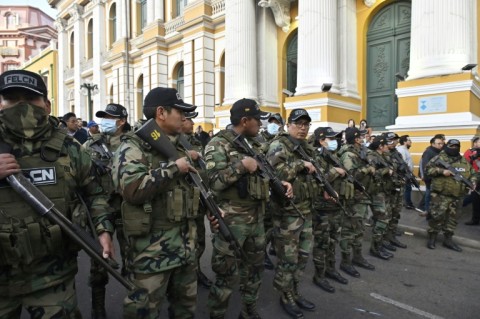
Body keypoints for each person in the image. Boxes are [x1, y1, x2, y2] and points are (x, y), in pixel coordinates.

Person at [0, 69, 114, 317]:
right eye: (12, 99)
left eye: (30, 99)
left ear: (47, 104)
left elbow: (94, 193)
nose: (21, 106)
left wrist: (103, 230)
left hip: (53, 274)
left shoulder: (68, 147)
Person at [113, 87, 199, 318]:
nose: (185, 117)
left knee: (185, 309)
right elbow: (132, 190)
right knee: (144, 312)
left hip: (185, 248)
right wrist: (174, 168)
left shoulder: (181, 145)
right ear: (161, 112)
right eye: (180, 112)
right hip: (151, 254)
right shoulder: (133, 146)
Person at [205, 98, 292, 319]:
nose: (261, 125)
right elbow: (213, 182)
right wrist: (241, 166)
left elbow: (265, 175)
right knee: (226, 275)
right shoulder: (218, 144)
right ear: (245, 120)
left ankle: (248, 310)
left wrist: (281, 183)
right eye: (258, 120)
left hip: (258, 220)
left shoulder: (256, 144)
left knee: (254, 271)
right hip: (232, 223)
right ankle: (217, 314)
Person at [266, 108, 318, 318]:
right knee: (288, 258)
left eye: (306, 124)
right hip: (287, 214)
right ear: (288, 126)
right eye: (299, 124)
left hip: (305, 211)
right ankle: (285, 294)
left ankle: (295, 291)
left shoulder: (307, 147)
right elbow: (272, 172)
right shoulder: (279, 145)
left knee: (303, 256)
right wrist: (300, 164)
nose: (303, 128)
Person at [84, 103, 131, 318]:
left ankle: (135, 302)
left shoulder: (135, 144)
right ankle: (98, 307)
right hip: (100, 210)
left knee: (134, 259)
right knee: (99, 260)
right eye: (103, 117)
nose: (104, 121)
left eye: (109, 117)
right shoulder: (90, 145)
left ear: (121, 121)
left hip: (128, 210)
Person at [309, 127, 350, 293]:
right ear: (321, 140)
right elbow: (316, 179)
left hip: (335, 207)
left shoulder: (334, 156)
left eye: (336, 138)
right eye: (330, 138)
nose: (335, 141)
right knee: (321, 243)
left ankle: (331, 269)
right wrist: (335, 171)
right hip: (321, 209)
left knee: (333, 240)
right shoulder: (315, 157)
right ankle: (319, 275)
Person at [337, 127, 376, 278]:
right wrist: (367, 169)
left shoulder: (360, 152)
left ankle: (357, 256)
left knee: (359, 229)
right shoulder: (348, 154)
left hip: (362, 196)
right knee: (349, 230)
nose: (364, 138)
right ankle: (346, 261)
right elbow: (351, 175)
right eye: (361, 136)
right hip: (353, 198)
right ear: (356, 138)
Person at [425, 139, 476, 252]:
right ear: (447, 146)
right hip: (440, 195)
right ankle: (432, 238)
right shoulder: (439, 158)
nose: (453, 148)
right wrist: (442, 171)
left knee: (453, 220)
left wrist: (473, 181)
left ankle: (448, 240)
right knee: (437, 217)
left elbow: (472, 173)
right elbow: (427, 170)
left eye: (456, 146)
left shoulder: (463, 160)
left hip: (457, 196)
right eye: (451, 146)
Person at [181, 110, 213, 289]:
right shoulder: (166, 142)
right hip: (180, 203)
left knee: (199, 239)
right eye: (189, 120)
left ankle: (196, 270)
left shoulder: (194, 141)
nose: (193, 123)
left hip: (198, 199)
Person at [367, 136, 394, 260]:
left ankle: (380, 243)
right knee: (382, 219)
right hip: (376, 192)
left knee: (386, 217)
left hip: (384, 190)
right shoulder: (372, 156)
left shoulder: (384, 156)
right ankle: (375, 247)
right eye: (385, 145)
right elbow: (373, 174)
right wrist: (386, 171)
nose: (388, 146)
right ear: (380, 146)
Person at [419, 135, 445, 213]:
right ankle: (426, 210)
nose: (441, 145)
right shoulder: (429, 152)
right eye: (439, 143)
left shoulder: (439, 151)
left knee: (432, 194)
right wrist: (425, 176)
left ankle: (430, 209)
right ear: (433, 144)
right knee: (428, 194)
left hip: (437, 177)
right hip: (430, 177)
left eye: (442, 143)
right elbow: (425, 166)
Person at [463, 136, 480, 226]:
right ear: (475, 143)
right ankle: (475, 219)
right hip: (475, 178)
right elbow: (465, 165)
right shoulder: (469, 152)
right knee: (475, 198)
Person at [397, 135, 414, 209]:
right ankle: (407, 203)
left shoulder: (405, 149)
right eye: (409, 140)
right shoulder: (402, 150)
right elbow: (402, 163)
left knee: (407, 188)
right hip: (405, 174)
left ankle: (407, 203)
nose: (411, 141)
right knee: (407, 189)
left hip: (407, 173)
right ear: (404, 142)